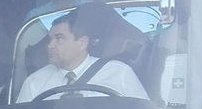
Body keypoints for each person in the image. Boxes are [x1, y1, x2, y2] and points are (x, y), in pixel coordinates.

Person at [14, 10, 148, 102]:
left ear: (82, 43)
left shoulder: (119, 73)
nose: (50, 45)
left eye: (59, 38)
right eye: (50, 39)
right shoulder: (35, 82)